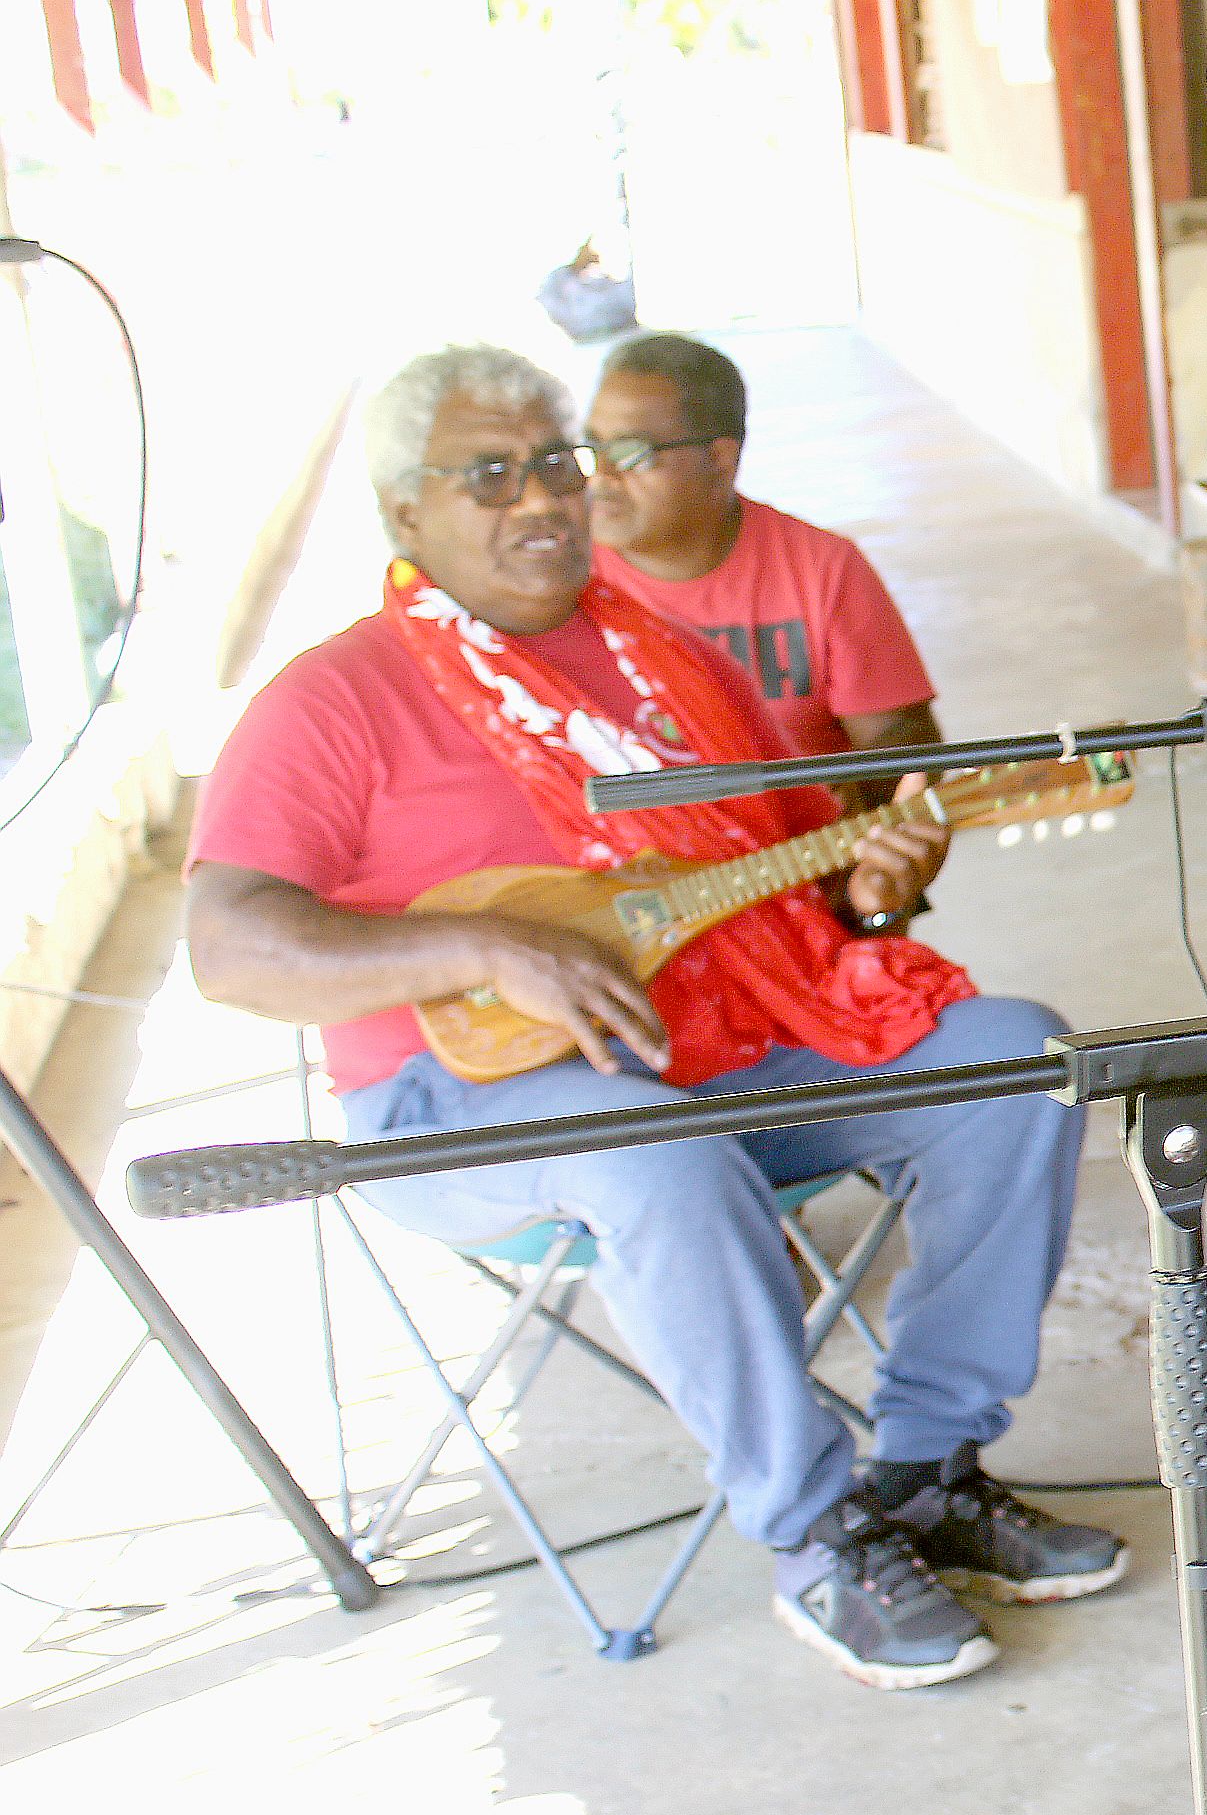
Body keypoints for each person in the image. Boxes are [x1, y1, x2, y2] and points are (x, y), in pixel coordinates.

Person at [185, 345, 1121, 1691]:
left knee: (1012, 1060)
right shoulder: (335, 700)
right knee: (651, 1149)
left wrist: (873, 891)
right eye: (490, 474)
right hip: (464, 1102)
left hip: (723, 1044)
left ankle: (923, 1469)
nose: (544, 501)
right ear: (405, 513)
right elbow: (230, 948)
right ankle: (813, 1534)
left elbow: (807, 897)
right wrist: (484, 947)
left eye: (558, 464)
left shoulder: (670, 666)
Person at [585, 332, 944, 774]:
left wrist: (848, 801)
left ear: (719, 458)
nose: (600, 477)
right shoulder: (563, 579)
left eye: (630, 454)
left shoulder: (821, 570)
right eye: (593, 447)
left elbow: (903, 747)